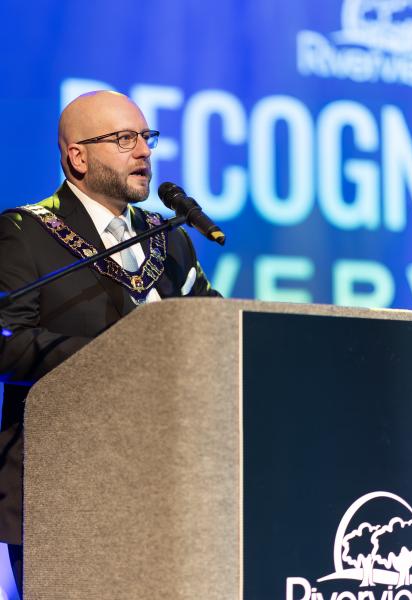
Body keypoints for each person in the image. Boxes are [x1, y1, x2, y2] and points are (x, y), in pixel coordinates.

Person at [0, 90, 221, 596]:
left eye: (147, 137)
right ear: (78, 156)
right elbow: (7, 344)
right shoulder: (25, 232)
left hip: (166, 486)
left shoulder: (171, 237)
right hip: (62, 488)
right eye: (124, 139)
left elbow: (208, 329)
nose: (143, 151)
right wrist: (121, 358)